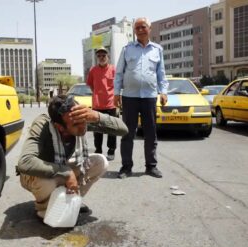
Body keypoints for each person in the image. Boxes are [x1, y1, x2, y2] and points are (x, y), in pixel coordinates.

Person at [16, 95, 128, 219]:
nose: (83, 126)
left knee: (100, 162)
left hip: (62, 166)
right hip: (39, 173)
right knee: (47, 183)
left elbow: (123, 129)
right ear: (60, 127)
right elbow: (25, 162)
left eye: (84, 120)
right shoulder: (43, 125)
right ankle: (44, 208)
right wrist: (66, 172)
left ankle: (73, 199)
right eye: (76, 124)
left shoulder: (79, 119)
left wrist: (97, 116)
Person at [114, 17, 168, 179]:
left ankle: (151, 166)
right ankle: (126, 167)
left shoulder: (157, 50)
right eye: (137, 28)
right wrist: (117, 93)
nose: (139, 30)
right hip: (129, 97)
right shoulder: (127, 49)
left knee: (151, 133)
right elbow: (119, 73)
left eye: (142, 27)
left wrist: (163, 92)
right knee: (127, 133)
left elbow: (161, 74)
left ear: (149, 29)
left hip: (150, 97)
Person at [87, 46, 117, 161]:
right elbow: (90, 84)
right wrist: (97, 94)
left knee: (111, 129)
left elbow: (118, 85)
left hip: (111, 105)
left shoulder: (113, 69)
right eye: (99, 56)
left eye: (103, 55)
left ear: (107, 56)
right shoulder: (93, 70)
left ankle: (111, 151)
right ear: (96, 57)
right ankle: (98, 150)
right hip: (97, 105)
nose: (101, 57)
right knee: (97, 130)